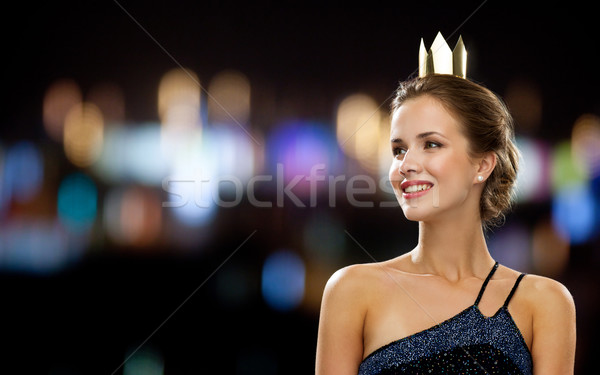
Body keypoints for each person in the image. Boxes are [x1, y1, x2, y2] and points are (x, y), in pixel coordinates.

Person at [315, 35, 576, 375]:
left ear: (482, 164)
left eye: (431, 144)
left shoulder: (544, 303)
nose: (405, 164)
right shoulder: (351, 291)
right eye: (398, 149)